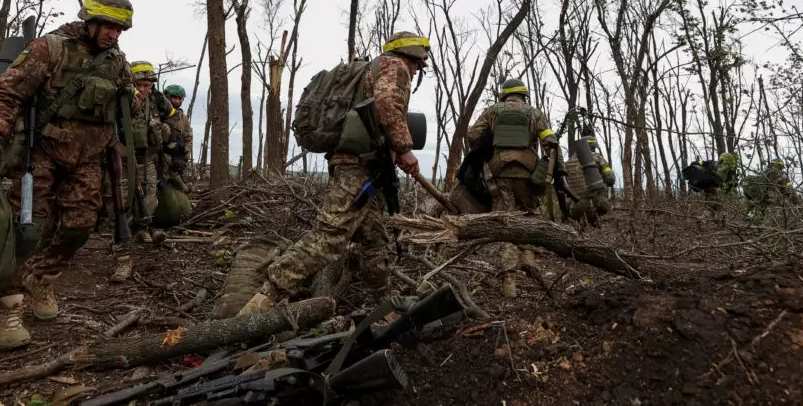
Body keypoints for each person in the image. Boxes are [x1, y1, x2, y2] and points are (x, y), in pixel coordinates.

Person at [0, 0, 136, 350]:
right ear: (89, 21)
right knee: (25, 231)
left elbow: (125, 112)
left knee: (79, 228)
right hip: (40, 152)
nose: (114, 34)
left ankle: (40, 278)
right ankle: (8, 307)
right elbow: (6, 95)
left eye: (120, 28)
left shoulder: (117, 62)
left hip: (88, 158)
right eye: (108, 26)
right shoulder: (51, 48)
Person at [238, 31, 430, 314]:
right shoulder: (395, 66)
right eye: (419, 65)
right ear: (413, 57)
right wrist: (404, 149)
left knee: (376, 240)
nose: (416, 71)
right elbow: (388, 104)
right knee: (328, 238)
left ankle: (385, 305)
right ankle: (265, 298)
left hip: (364, 167)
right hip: (358, 169)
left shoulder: (372, 68)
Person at [466, 78, 565, 298]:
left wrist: (487, 142)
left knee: (505, 222)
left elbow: (472, 135)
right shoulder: (534, 113)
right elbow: (550, 142)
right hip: (527, 173)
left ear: (504, 95)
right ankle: (529, 256)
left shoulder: (492, 111)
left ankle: (509, 281)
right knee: (530, 215)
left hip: (499, 173)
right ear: (523, 95)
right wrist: (551, 170)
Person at [109, 60, 175, 282]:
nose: (144, 89)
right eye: (140, 85)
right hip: (123, 159)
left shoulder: (155, 101)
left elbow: (170, 113)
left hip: (147, 159)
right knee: (123, 203)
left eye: (147, 85)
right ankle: (120, 248)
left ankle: (138, 231)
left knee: (150, 201)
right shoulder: (121, 100)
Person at [565, 124, 616, 225]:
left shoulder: (568, 162)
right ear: (593, 147)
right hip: (597, 204)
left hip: (575, 207)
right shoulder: (597, 158)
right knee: (608, 219)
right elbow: (611, 179)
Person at [162, 83, 194, 177]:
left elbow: (188, 139)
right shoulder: (158, 113)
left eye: (180, 98)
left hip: (174, 161)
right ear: (167, 97)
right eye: (174, 98)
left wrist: (184, 158)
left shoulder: (183, 118)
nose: (177, 101)